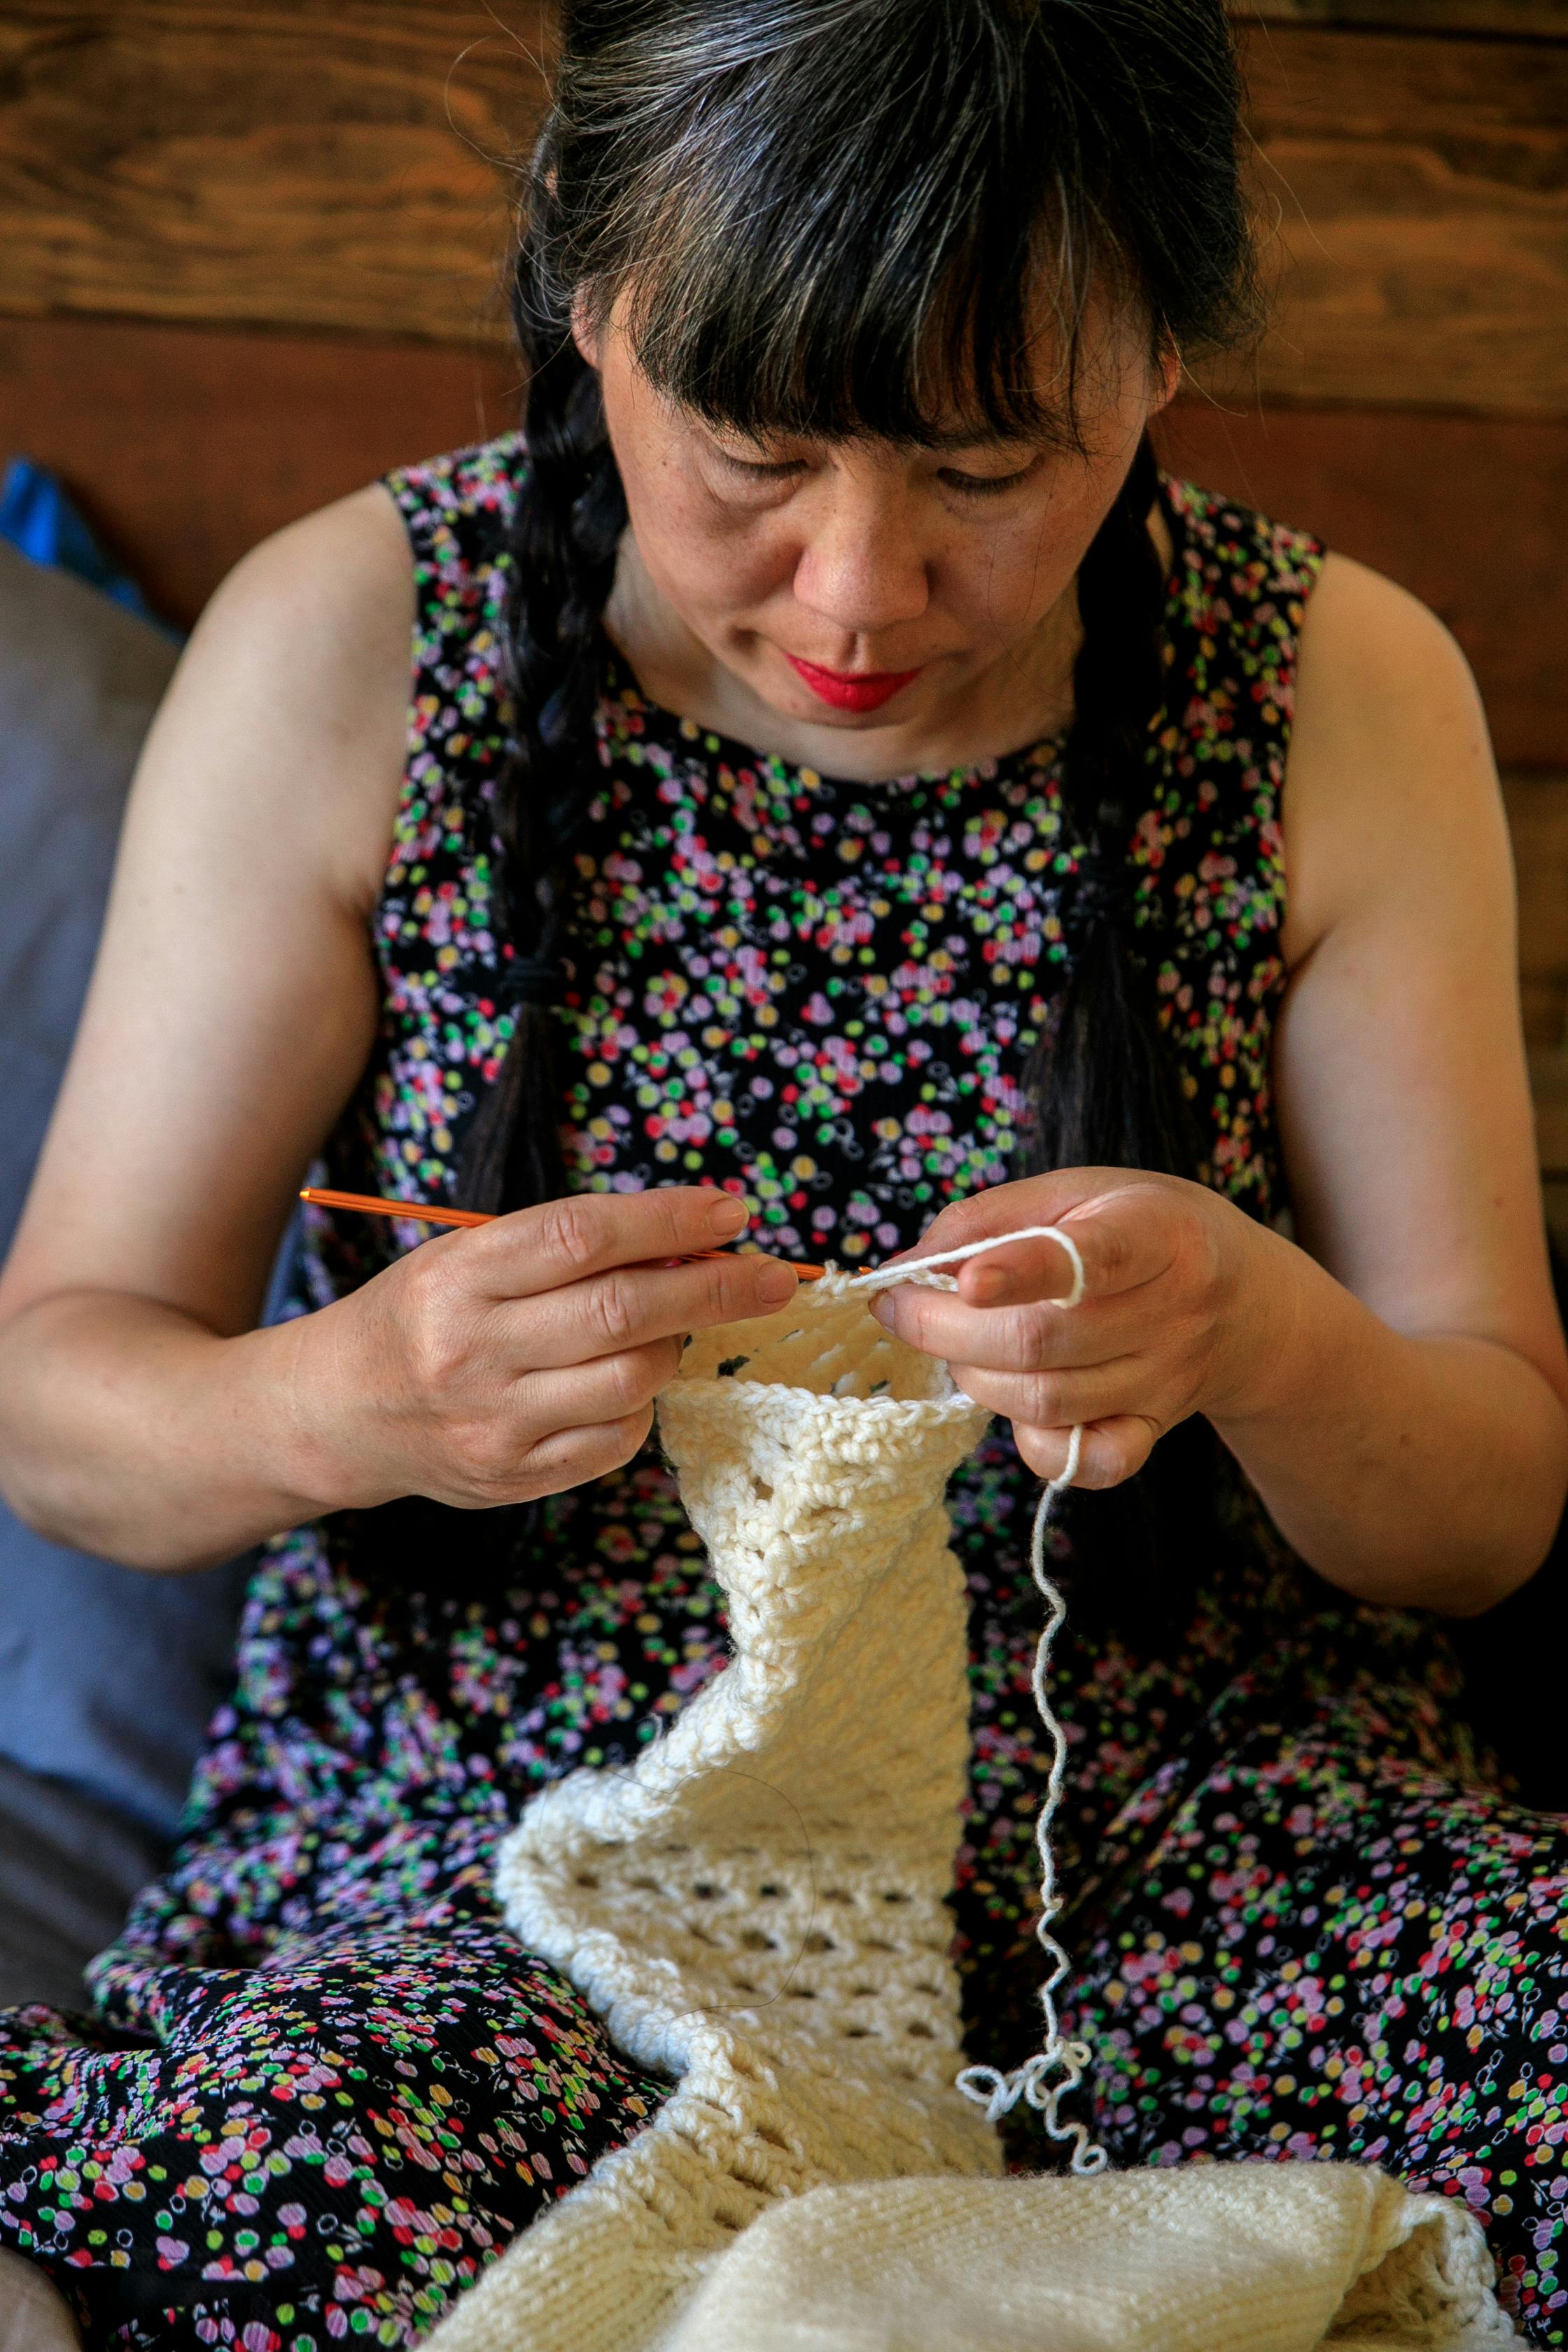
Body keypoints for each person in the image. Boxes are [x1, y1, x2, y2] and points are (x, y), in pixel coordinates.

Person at [1, 0, 1565, 2342]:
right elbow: (57, 1400)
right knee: (279, 2184)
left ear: (1159, 361)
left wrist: (1262, 1334)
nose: (854, 593)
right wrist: (354, 1400)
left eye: (985, 469)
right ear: (590, 295)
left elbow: (1488, 1506)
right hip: (510, 1854)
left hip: (1200, 1827)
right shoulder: (362, 643)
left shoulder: (1335, 689)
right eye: (750, 458)